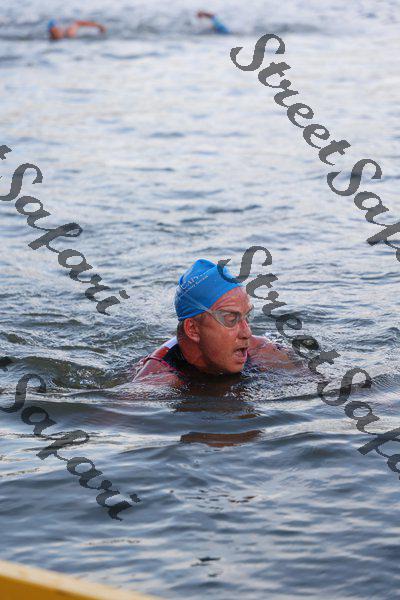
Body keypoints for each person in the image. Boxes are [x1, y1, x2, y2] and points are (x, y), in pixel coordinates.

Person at [133, 259, 298, 385]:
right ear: (193, 329)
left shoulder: (262, 351)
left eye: (247, 316)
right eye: (231, 319)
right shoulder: (157, 379)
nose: (247, 332)